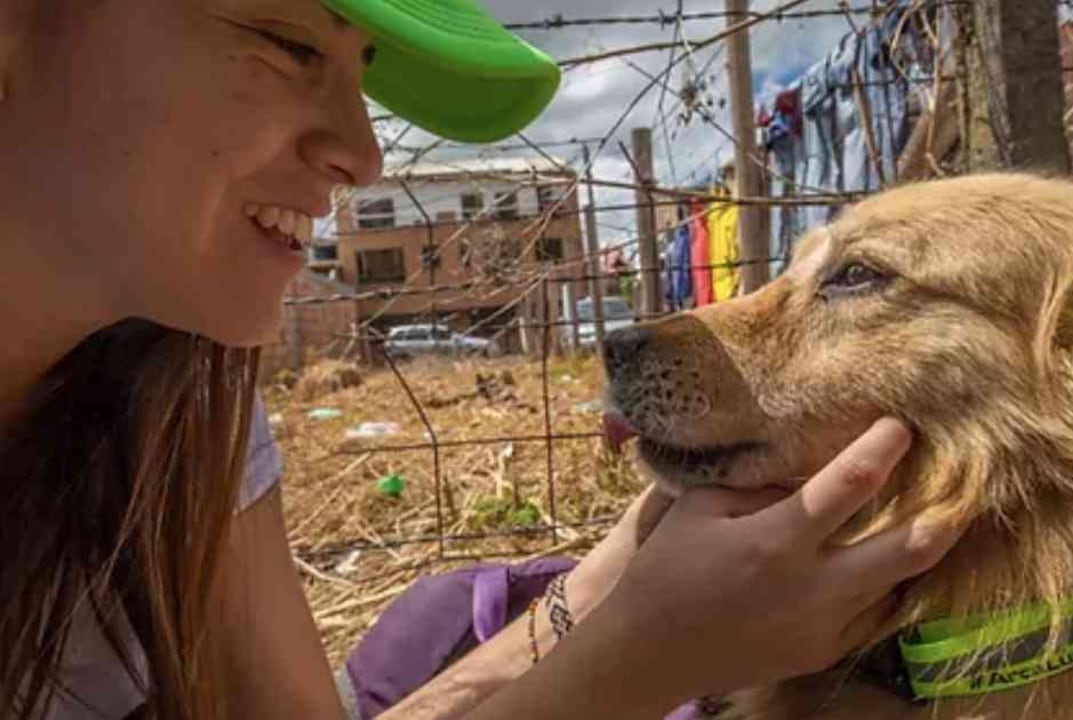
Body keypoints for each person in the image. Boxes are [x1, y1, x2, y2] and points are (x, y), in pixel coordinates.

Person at [0, 1, 963, 718]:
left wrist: (603, 591)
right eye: (290, 44)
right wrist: (644, 656)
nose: (365, 153)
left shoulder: (181, 404)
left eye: (362, 72)